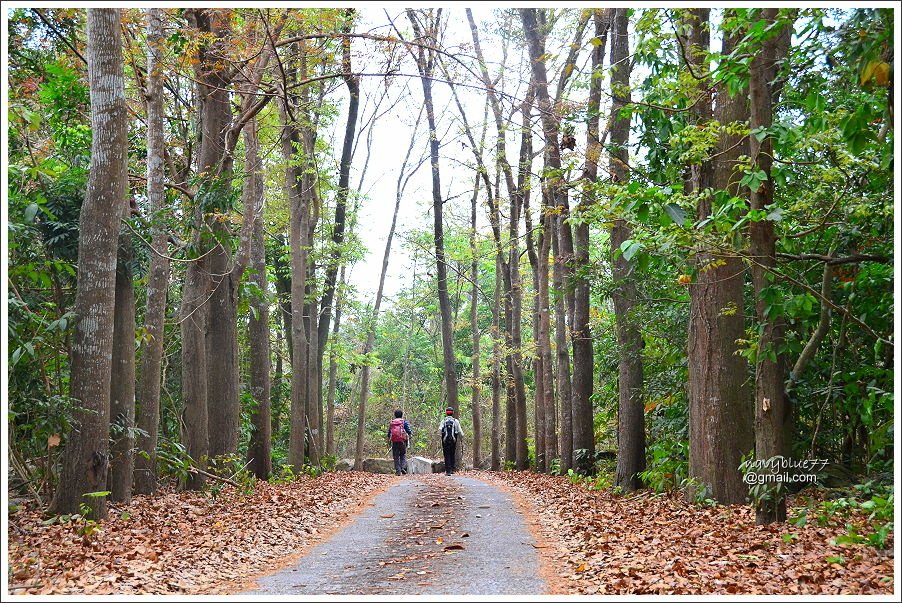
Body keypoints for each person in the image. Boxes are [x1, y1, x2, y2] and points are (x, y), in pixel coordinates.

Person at [439, 407, 464, 475]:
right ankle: (452, 469)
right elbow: (460, 432)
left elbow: (440, 429)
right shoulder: (455, 421)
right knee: (452, 453)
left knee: (446, 454)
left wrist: (441, 436)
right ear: (452, 413)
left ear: (446, 413)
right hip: (453, 440)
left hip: (445, 440)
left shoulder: (443, 421)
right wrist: (461, 438)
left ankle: (448, 471)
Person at [387, 409, 412, 476]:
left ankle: (398, 470)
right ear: (402, 415)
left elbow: (389, 433)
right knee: (402, 454)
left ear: (395, 415)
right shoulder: (404, 422)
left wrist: (390, 439)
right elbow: (409, 431)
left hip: (394, 441)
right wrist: (408, 436)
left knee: (396, 456)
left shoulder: (392, 422)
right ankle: (403, 467)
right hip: (402, 441)